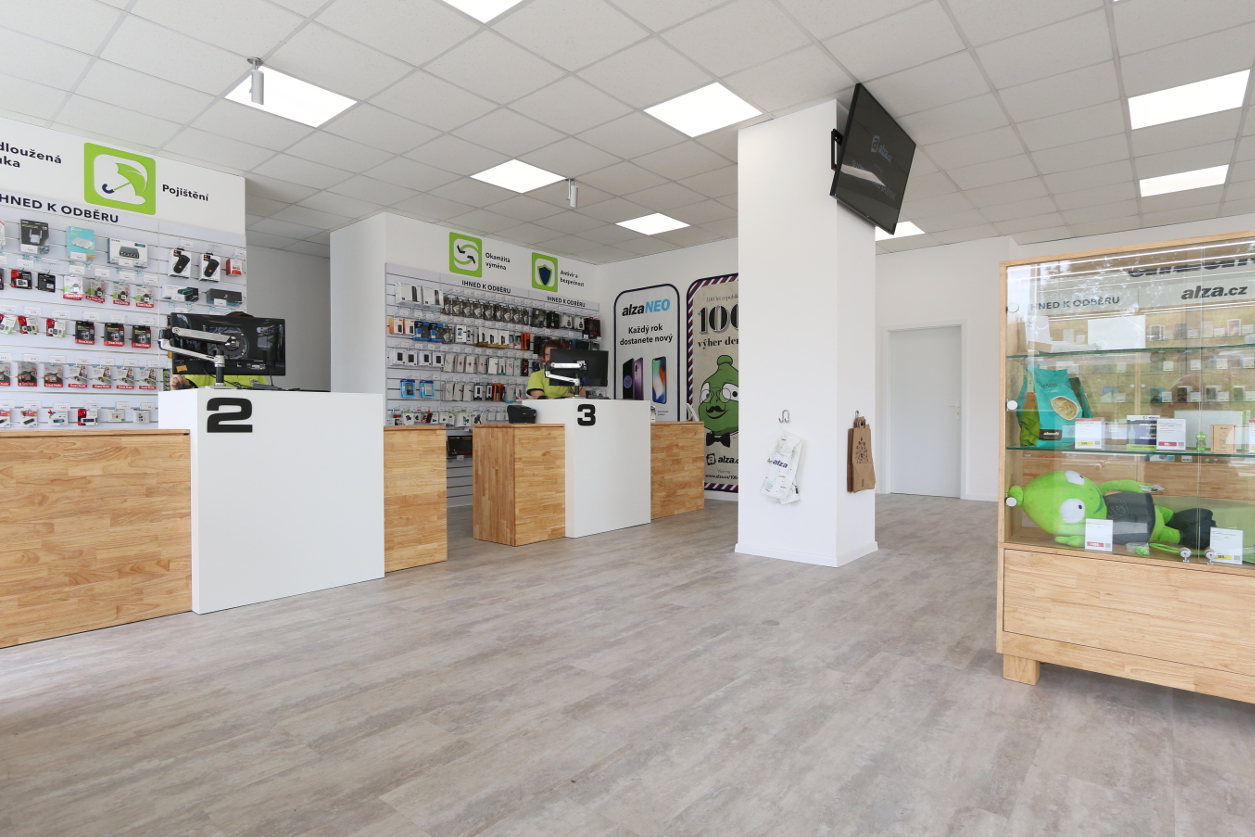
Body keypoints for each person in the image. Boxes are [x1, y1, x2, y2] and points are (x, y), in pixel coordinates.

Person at [169, 310, 270, 390]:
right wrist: (178, 384)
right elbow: (186, 390)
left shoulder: (254, 367)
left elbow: (266, 396)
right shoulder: (205, 365)